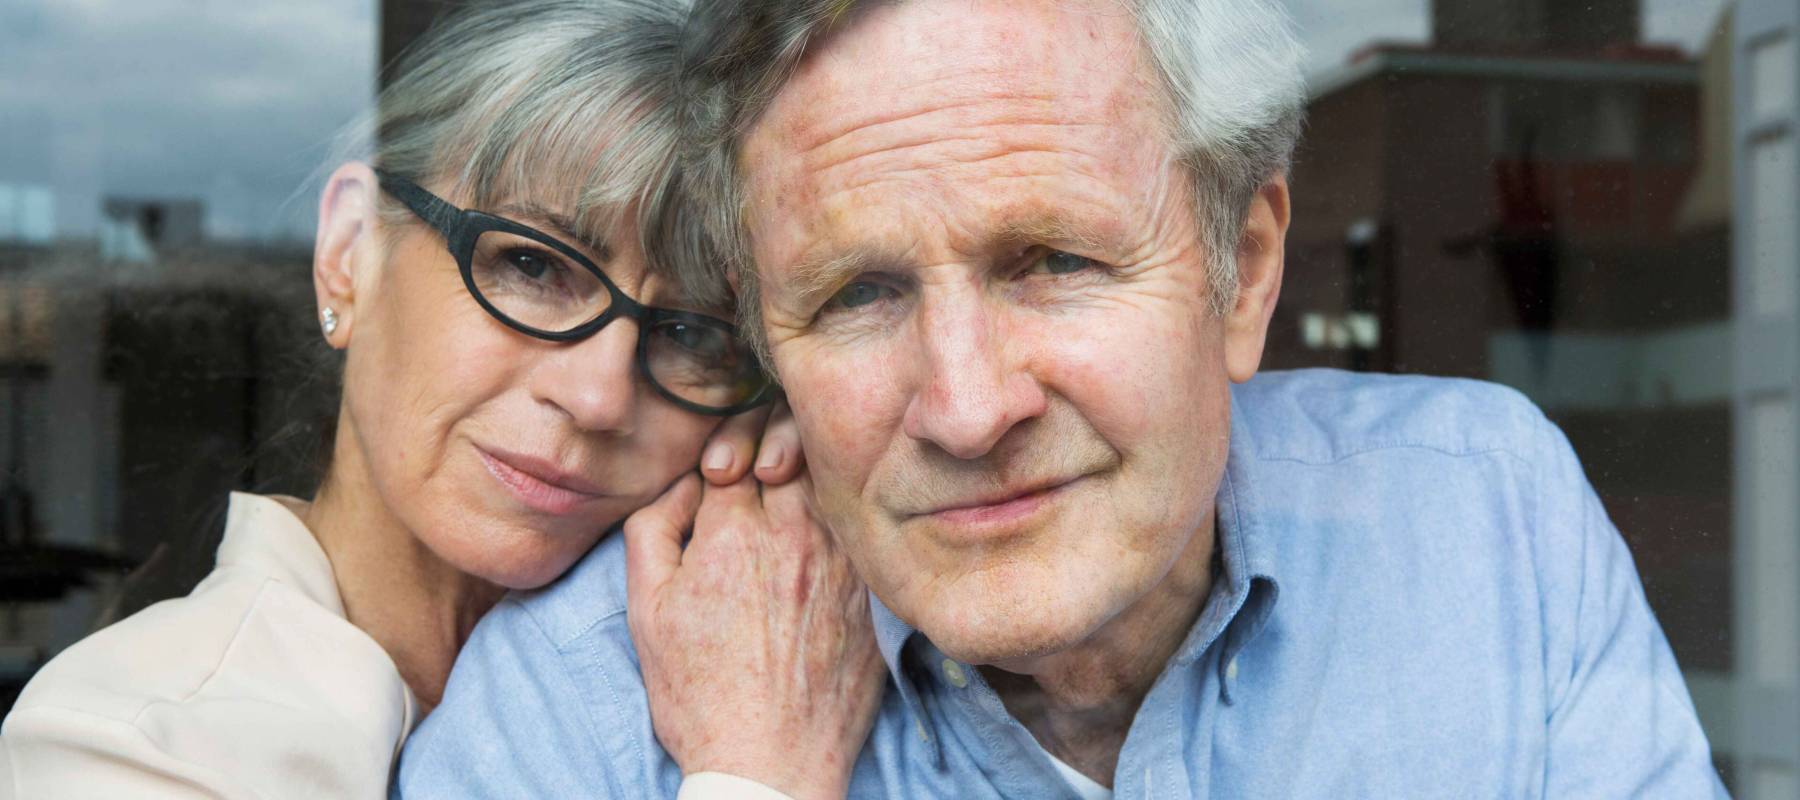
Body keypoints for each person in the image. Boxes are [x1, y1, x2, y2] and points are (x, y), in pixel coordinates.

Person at [398, 0, 1729, 797]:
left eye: (1055, 262)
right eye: (857, 294)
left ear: (1245, 272)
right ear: (765, 337)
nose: (967, 408)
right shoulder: (582, 712)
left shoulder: (1483, 518)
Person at [0, 1, 882, 797]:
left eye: (694, 333)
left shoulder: (797, 657)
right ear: (350, 252)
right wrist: (759, 777)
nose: (597, 397)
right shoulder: (133, 747)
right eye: (532, 265)